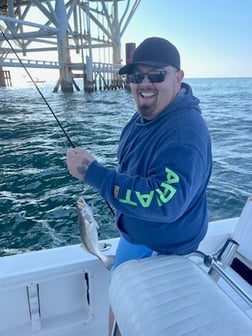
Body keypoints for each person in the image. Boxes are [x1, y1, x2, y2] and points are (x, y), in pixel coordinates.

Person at [67, 36, 212, 334]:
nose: (144, 83)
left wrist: (94, 174)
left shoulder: (184, 133)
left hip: (165, 250)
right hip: (136, 238)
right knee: (117, 303)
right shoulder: (145, 116)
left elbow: (164, 202)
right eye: (136, 76)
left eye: (156, 75)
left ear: (178, 77)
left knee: (142, 319)